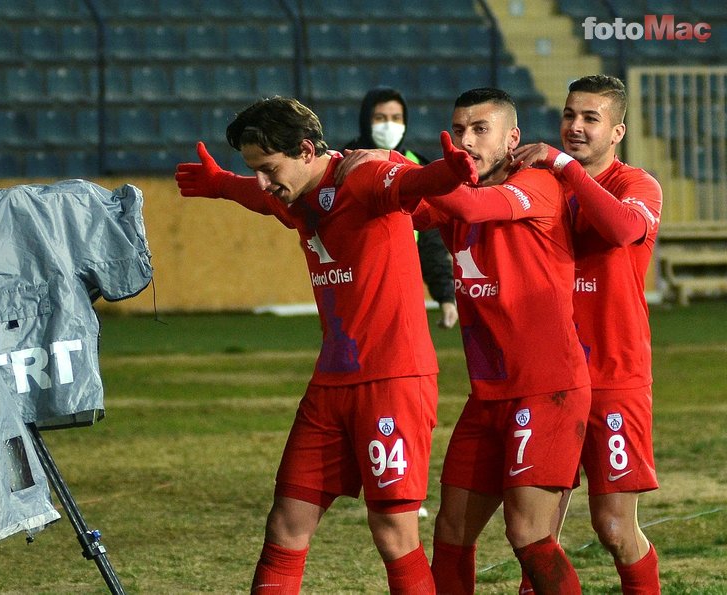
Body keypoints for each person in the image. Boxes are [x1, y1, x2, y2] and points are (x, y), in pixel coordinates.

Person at [174, 96, 479, 594]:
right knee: (285, 526)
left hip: (392, 380)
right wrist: (221, 186)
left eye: (269, 168)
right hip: (331, 384)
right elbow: (258, 195)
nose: (265, 183)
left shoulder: (361, 177)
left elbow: (413, 185)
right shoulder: (291, 193)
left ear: (306, 149)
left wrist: (447, 172)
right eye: (255, 171)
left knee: (393, 534)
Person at [337, 87, 592, 594]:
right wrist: (376, 175)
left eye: (480, 130)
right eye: (458, 130)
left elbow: (473, 207)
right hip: (487, 397)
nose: (466, 141)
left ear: (512, 138)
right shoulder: (457, 195)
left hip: (548, 391)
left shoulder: (536, 184)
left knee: (526, 534)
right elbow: (408, 208)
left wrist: (397, 162)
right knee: (451, 534)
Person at [513, 74, 663, 594]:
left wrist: (567, 170)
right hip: (551, 379)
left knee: (615, 527)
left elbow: (622, 229)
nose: (575, 127)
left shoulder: (637, 186)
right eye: (569, 115)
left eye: (590, 118)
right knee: (535, 535)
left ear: (617, 131)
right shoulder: (547, 183)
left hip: (615, 376)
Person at [345, 86, 458, 329]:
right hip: (353, 286)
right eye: (380, 118)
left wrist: (446, 296)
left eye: (396, 119)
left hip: (401, 284)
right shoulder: (344, 161)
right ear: (366, 120)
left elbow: (430, 239)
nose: (389, 125)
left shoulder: (417, 165)